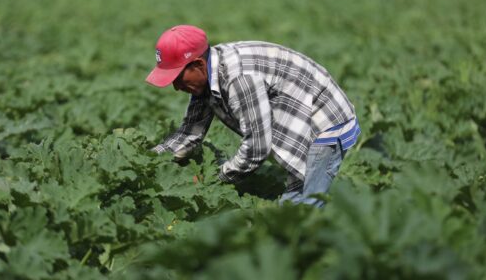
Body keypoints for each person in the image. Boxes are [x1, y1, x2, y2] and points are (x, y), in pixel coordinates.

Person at [146, 25, 360, 207]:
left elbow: (257, 147)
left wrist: (214, 179)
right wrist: (147, 162)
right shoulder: (207, 78)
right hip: (296, 118)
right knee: (293, 210)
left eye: (177, 77)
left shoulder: (239, 79)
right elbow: (188, 134)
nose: (176, 87)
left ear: (199, 65)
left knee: (303, 210)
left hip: (325, 122)